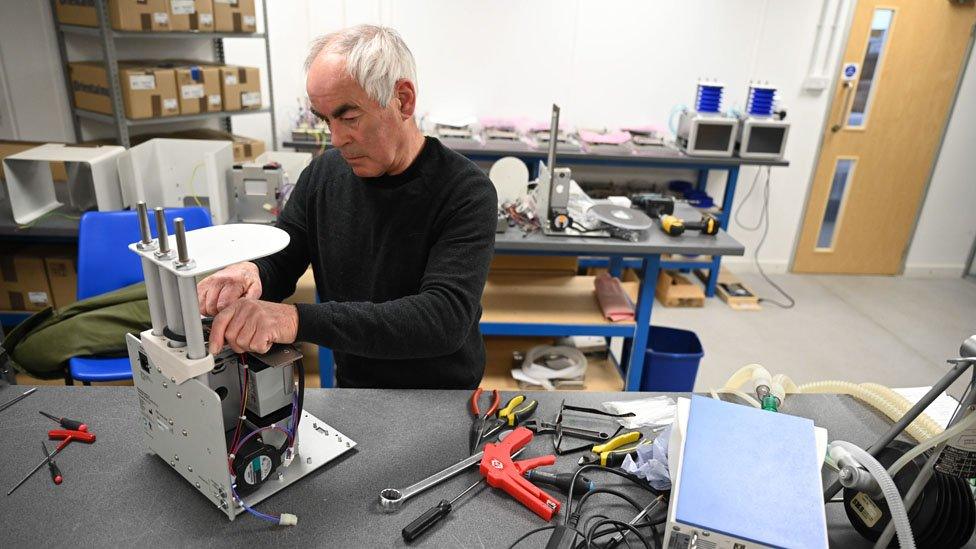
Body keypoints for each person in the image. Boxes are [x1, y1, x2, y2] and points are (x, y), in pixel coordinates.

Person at [197, 25, 497, 389]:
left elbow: (443, 318)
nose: (336, 139)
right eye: (325, 120)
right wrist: (251, 272)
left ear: (402, 100)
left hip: (443, 395)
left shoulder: (466, 191)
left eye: (349, 117)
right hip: (356, 387)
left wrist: (295, 321)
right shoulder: (323, 175)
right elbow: (284, 255)